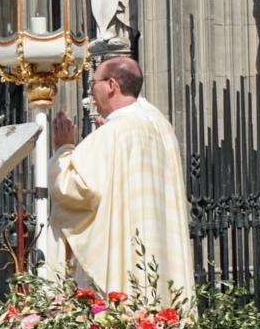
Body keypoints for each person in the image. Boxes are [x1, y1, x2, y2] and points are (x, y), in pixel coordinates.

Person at [48, 57, 194, 300]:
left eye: (92, 84)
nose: (90, 94)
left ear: (111, 85)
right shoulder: (158, 125)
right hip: (156, 249)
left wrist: (64, 149)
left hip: (125, 258)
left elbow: (74, 189)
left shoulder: (115, 132)